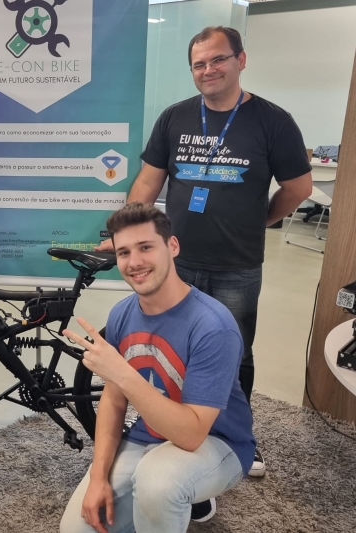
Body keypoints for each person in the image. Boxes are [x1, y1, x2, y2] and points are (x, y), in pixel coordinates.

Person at [96, 26, 312, 477]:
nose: (208, 70)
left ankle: (236, 440)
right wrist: (124, 234)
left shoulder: (274, 121)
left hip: (237, 264)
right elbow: (149, 182)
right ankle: (173, 426)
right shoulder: (175, 118)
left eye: (218, 60)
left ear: (240, 60)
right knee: (171, 350)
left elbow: (297, 188)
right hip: (176, 260)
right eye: (199, 63)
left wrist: (264, 219)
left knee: (235, 354)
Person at [61, 202, 256, 533]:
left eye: (146, 247)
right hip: (147, 436)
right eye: (123, 253)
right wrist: (98, 477)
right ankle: (187, 495)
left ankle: (186, 489)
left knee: (158, 484)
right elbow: (114, 400)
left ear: (172, 246)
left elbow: (192, 435)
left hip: (217, 441)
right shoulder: (122, 313)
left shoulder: (213, 326)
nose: (134, 262)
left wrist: (119, 371)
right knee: (77, 529)